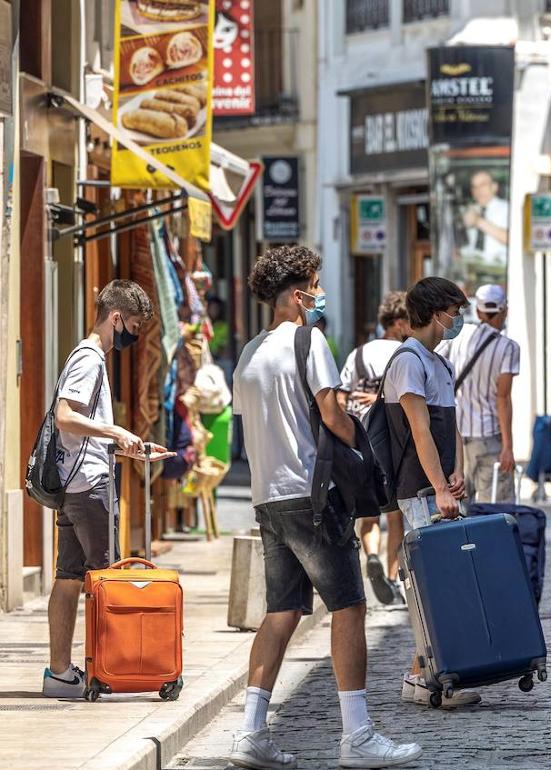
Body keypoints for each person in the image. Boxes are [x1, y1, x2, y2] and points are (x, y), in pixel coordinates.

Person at [230, 245, 420, 768]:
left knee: (281, 612)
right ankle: (356, 735)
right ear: (298, 294)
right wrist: (361, 443)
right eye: (315, 285)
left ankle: (250, 733)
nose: (320, 295)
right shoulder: (307, 340)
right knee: (349, 607)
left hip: (269, 498)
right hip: (312, 495)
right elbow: (332, 414)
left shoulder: (248, 353)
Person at [42, 280, 173, 698]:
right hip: (89, 487)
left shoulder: (89, 357)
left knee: (68, 577)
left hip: (77, 483)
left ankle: (60, 674)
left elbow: (81, 431)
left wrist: (127, 447)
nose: (133, 333)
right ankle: (110, 670)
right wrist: (115, 430)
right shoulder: (91, 359)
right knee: (106, 581)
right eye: (133, 324)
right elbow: (65, 416)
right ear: (115, 318)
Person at [384, 277, 478, 709]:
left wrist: (457, 471)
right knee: (430, 584)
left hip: (439, 486)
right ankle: (426, 678)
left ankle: (424, 675)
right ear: (436, 312)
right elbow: (419, 431)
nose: (458, 318)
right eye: (454, 311)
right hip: (419, 488)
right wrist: (440, 486)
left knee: (441, 583)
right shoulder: (408, 360)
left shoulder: (439, 363)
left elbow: (449, 426)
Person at [339, 292, 411, 606]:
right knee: (394, 517)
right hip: (391, 447)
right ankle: (393, 578)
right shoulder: (404, 354)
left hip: (358, 445)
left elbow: (340, 398)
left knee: (368, 517)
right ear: (398, 323)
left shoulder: (357, 354)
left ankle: (371, 555)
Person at [438, 284, 520, 503]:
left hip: (456, 439)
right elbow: (502, 398)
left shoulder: (457, 338)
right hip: (488, 438)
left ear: (478, 311)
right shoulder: (508, 347)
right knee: (494, 513)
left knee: (461, 513)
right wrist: (508, 447)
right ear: (504, 310)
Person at [462, 171, 509, 266]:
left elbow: (511, 239)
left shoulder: (507, 208)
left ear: (494, 187)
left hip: (499, 271)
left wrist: (478, 221)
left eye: (483, 185)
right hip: (474, 268)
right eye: (474, 187)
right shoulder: (470, 210)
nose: (478, 190)